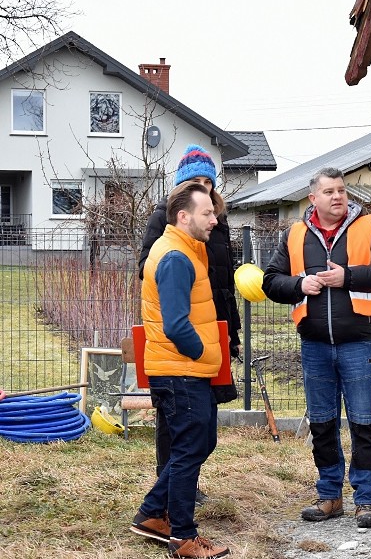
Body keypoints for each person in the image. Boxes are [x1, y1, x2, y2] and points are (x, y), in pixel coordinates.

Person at [262, 167, 371, 529]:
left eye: (341, 190)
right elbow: (270, 282)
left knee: (363, 424)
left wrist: (348, 276)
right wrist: (299, 285)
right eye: (329, 191)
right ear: (313, 198)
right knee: (322, 425)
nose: (337, 196)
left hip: (359, 343)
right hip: (315, 347)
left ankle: (366, 500)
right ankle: (329, 496)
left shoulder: (369, 227)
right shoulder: (294, 235)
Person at [130, 182, 230, 558]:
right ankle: (183, 538)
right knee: (190, 449)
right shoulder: (175, 257)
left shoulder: (186, 250)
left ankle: (153, 514)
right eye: (207, 214)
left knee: (201, 442)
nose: (214, 220)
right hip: (181, 370)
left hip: (185, 368)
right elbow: (175, 324)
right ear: (183, 216)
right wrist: (203, 351)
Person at [139, 144, 241, 502]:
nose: (203, 187)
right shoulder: (165, 223)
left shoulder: (217, 222)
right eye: (194, 181)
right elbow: (149, 268)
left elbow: (226, 280)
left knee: (203, 422)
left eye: (207, 181)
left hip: (214, 321)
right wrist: (186, 280)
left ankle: (177, 486)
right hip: (185, 326)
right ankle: (172, 494)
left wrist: (231, 329)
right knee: (178, 417)